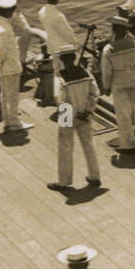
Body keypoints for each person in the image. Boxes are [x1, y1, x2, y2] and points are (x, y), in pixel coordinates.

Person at [50, 47, 101, 191]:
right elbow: (95, 93)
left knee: (65, 147)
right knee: (89, 145)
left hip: (67, 114)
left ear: (62, 60)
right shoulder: (86, 73)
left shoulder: (59, 76)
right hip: (84, 113)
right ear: (74, 58)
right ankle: (94, 176)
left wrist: (67, 116)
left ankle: (64, 181)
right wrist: (87, 111)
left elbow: (59, 99)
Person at [99, 16, 135, 154]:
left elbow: (107, 72)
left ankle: (128, 145)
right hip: (134, 80)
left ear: (114, 29)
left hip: (118, 83)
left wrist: (106, 87)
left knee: (124, 115)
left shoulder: (108, 49)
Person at [0, 0, 33, 133]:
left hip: (2, 66)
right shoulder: (5, 30)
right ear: (10, 11)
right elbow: (0, 50)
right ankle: (14, 123)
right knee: (12, 96)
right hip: (10, 66)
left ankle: (7, 120)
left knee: (5, 94)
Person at [37, 0, 76, 72]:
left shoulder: (41, 12)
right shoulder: (58, 15)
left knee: (57, 71)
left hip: (52, 47)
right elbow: (67, 34)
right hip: (64, 50)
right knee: (67, 72)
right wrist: (75, 44)